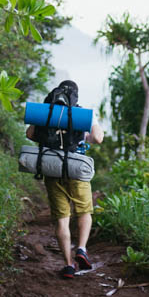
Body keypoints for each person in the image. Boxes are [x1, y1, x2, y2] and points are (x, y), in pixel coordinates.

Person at [25, 80, 105, 279]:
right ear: (75, 95)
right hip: (76, 169)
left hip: (52, 169)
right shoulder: (82, 113)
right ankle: (82, 249)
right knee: (84, 211)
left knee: (62, 219)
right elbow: (98, 138)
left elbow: (30, 134)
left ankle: (69, 265)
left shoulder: (48, 112)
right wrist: (83, 136)